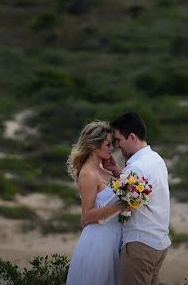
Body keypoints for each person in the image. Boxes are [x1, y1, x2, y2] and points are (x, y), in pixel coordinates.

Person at [108, 112, 171, 285]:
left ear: (132, 137)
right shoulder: (156, 159)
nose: (117, 146)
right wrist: (118, 172)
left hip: (140, 245)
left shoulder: (136, 168)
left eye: (119, 139)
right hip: (159, 242)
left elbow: (119, 204)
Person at [66, 120, 124, 285]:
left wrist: (115, 170)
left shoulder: (103, 170)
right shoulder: (88, 174)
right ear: (94, 145)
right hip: (99, 242)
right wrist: (120, 207)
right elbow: (87, 214)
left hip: (113, 238)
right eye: (107, 144)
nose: (112, 148)